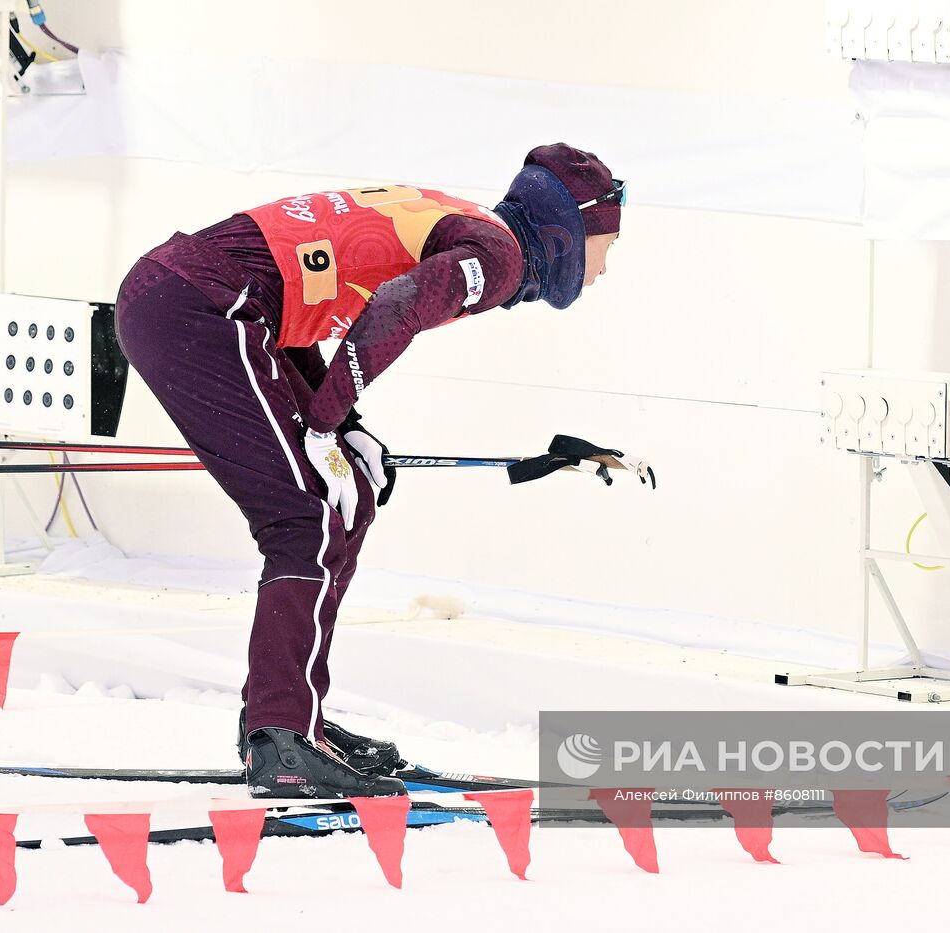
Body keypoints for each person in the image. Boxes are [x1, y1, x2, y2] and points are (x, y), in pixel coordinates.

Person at [113, 143, 624, 798]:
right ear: (568, 233)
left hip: (219, 298)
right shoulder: (498, 258)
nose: (605, 268)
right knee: (301, 519)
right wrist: (326, 425)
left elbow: (302, 286)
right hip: (206, 304)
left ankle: (297, 717)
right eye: (606, 243)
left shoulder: (475, 227)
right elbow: (395, 305)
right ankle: (279, 741)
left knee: (346, 498)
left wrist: (347, 429)